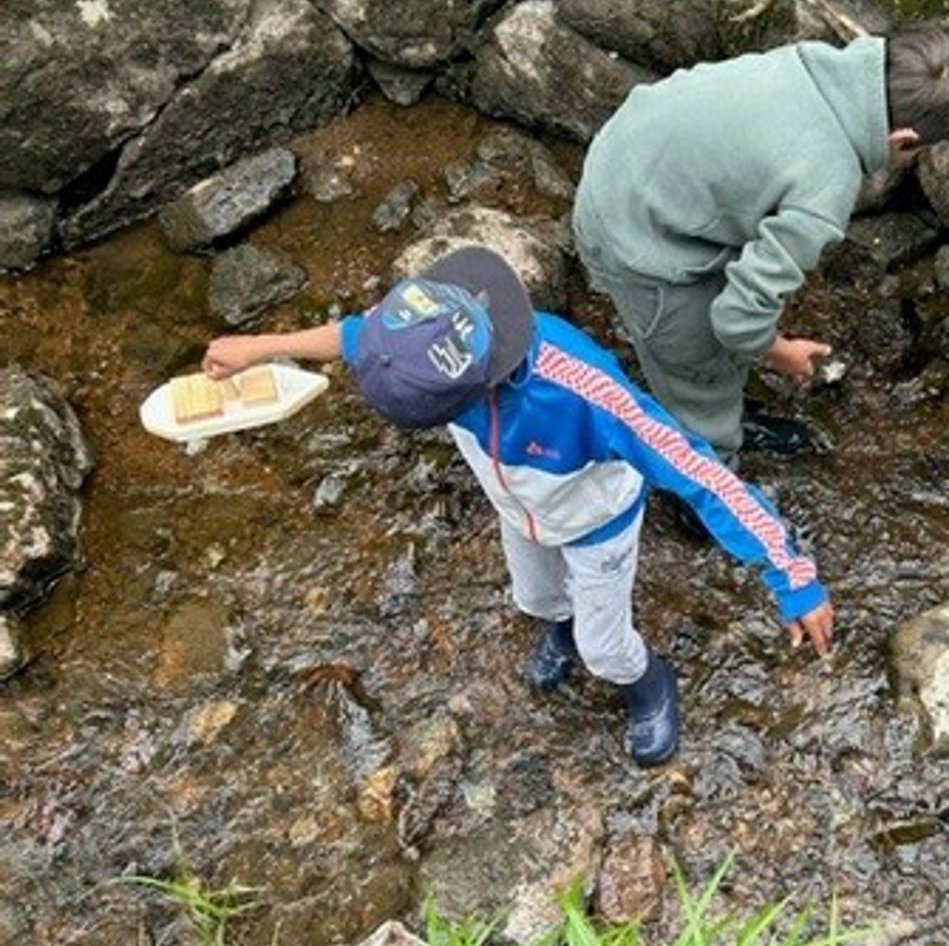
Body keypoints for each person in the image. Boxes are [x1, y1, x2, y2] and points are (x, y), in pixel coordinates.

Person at [201, 246, 834, 768]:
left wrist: (792, 576)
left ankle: (649, 683)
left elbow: (698, 471)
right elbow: (353, 336)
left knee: (603, 648)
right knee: (533, 600)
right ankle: (557, 626)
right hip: (521, 509)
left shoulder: (582, 391)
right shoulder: (422, 333)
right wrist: (256, 348)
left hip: (596, 524)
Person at [573, 22, 949, 462]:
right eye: (913, 153)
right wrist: (779, 352)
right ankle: (707, 486)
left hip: (624, 165)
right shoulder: (825, 184)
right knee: (698, 377)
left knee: (718, 346)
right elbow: (735, 319)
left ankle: (722, 411)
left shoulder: (810, 64)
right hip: (635, 243)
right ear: (903, 139)